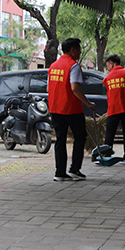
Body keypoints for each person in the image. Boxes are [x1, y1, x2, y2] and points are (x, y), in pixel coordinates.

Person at [47, 38, 96, 181]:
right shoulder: (73, 66)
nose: (80, 52)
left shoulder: (53, 66)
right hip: (72, 109)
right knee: (80, 137)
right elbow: (75, 87)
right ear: (73, 50)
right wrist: (88, 103)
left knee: (60, 140)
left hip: (55, 109)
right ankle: (75, 169)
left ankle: (59, 173)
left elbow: (49, 88)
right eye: (79, 49)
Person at [102, 55, 125, 164]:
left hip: (113, 109)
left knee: (109, 134)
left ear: (112, 63)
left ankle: (106, 156)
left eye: (108, 65)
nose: (108, 68)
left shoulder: (108, 78)